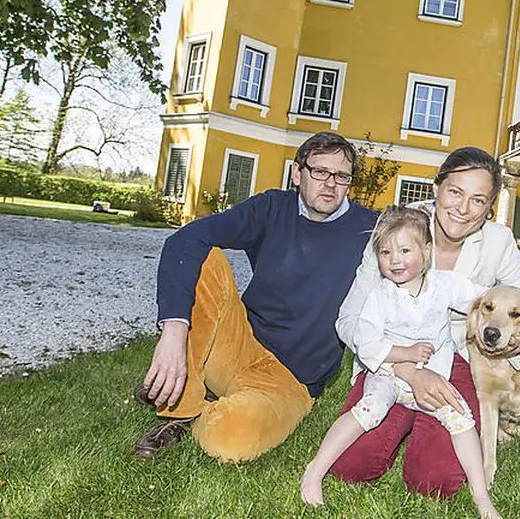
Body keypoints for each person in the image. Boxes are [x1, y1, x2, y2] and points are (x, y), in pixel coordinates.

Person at [132, 132, 378, 462]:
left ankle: (209, 399)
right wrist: (173, 332)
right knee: (205, 258)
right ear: (297, 173)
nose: (330, 184)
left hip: (291, 380)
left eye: (341, 176)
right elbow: (185, 241)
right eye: (319, 171)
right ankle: (180, 407)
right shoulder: (272, 207)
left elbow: (421, 247)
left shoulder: (370, 231)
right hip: (241, 343)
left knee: (230, 441)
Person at [332, 147, 520, 497]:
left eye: (478, 200)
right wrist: (409, 370)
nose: (463, 209)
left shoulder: (497, 241)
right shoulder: (398, 229)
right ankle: (404, 413)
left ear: (489, 207)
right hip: (391, 363)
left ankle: (427, 420)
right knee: (351, 466)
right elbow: (349, 319)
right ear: (436, 187)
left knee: (435, 482)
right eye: (455, 192)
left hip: (457, 364)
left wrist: (518, 338)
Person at [300, 206, 500, 519]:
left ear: (427, 251)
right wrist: (404, 354)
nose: (395, 259)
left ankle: (481, 496)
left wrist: (505, 307)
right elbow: (367, 343)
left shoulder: (444, 285)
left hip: (433, 375)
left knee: (461, 416)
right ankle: (314, 471)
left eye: (405, 250)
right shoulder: (381, 296)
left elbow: (483, 298)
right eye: (386, 251)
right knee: (370, 409)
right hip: (388, 373)